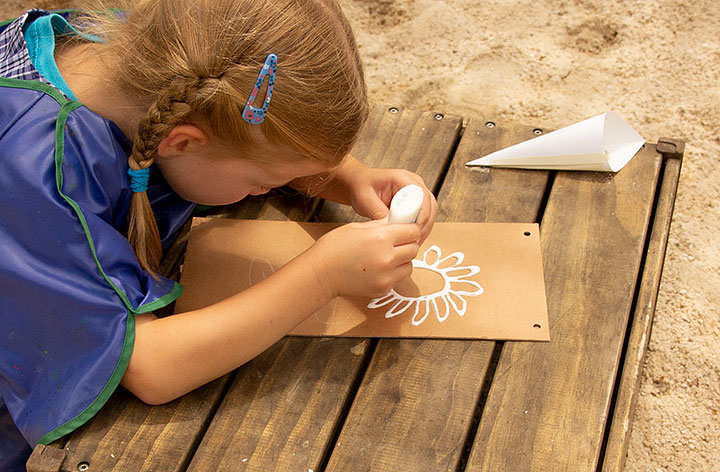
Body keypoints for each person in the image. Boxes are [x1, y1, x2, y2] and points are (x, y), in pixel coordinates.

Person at [0, 0, 438, 469]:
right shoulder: (34, 168)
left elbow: (238, 131)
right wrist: (323, 276)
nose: (268, 188)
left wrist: (349, 178)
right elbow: (150, 368)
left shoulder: (165, 54)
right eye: (263, 183)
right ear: (182, 142)